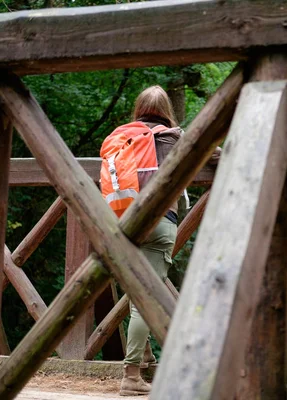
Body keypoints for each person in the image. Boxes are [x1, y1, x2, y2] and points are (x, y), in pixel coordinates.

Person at [113, 86, 219, 396]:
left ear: (139, 108)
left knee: (136, 291)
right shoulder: (175, 138)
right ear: (166, 111)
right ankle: (131, 376)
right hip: (160, 224)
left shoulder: (123, 136)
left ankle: (144, 358)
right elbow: (215, 155)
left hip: (124, 223)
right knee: (145, 298)